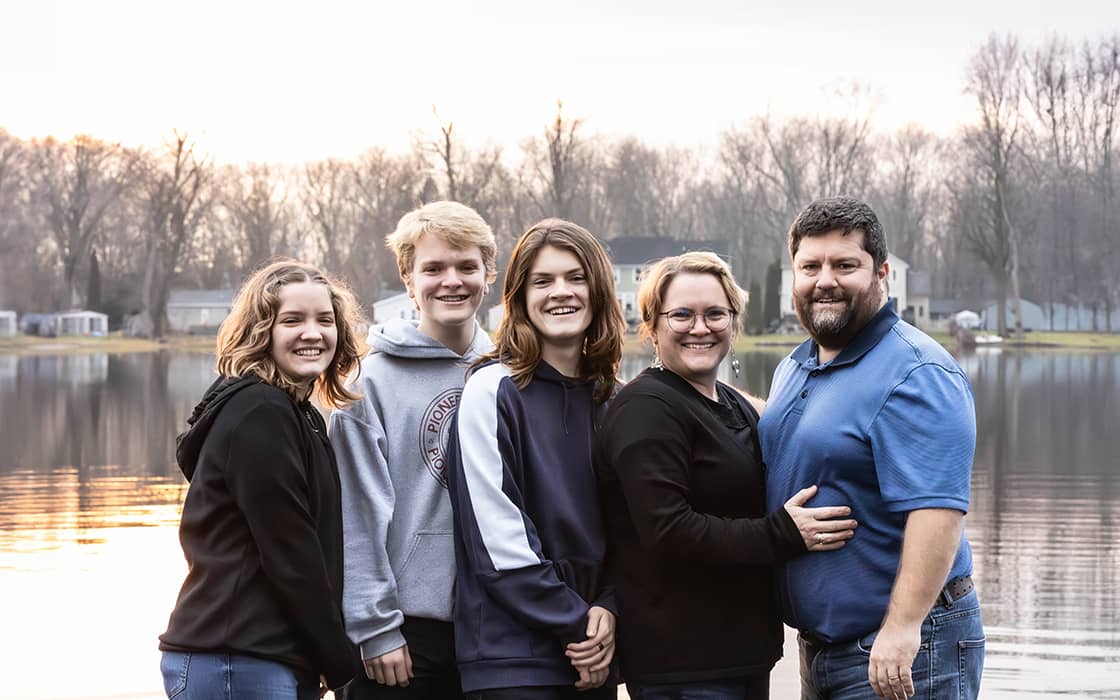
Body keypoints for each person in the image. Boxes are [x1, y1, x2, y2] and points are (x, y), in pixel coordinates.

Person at [595, 252, 858, 700]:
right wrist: (783, 533)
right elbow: (668, 530)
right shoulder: (646, 411)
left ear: (734, 323)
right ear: (651, 326)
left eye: (716, 313)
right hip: (683, 667)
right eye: (682, 314)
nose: (701, 327)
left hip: (737, 658)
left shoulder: (727, 404)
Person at [759, 196, 984, 700]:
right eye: (810, 266)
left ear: (881, 272)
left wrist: (903, 628)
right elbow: (795, 429)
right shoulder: (797, 366)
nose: (825, 280)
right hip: (821, 649)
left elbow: (938, 511)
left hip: (901, 647)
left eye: (845, 265)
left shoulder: (917, 373)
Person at [159, 260, 365, 699]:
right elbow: (291, 551)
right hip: (234, 660)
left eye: (324, 320)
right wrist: (339, 661)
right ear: (261, 331)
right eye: (292, 320)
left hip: (267, 656)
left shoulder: (298, 413)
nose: (313, 333)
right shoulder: (259, 413)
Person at [445, 218, 626, 699]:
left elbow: (631, 526)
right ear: (520, 297)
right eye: (542, 281)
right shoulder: (491, 389)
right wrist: (575, 622)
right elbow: (496, 537)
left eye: (575, 277)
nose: (559, 293)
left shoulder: (617, 400)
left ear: (599, 289)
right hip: (512, 660)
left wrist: (607, 608)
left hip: (597, 654)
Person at [329, 201, 498, 699]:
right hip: (405, 632)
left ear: (488, 275)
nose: (452, 280)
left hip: (498, 625)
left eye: (467, 266)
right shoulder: (366, 386)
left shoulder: (507, 373)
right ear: (408, 279)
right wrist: (375, 627)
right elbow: (355, 516)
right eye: (433, 268)